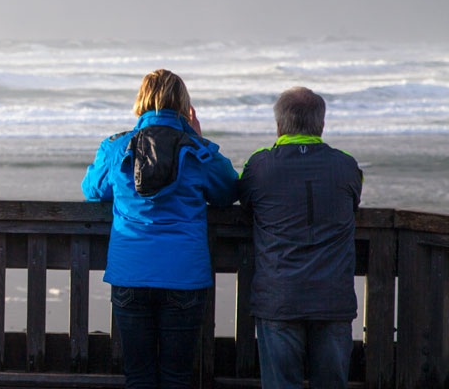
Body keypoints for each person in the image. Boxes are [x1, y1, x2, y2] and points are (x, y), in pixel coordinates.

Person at [81, 69, 238, 388]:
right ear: (183, 104)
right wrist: (198, 138)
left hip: (131, 274)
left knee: (138, 376)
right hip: (183, 276)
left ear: (140, 100)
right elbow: (227, 192)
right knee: (177, 377)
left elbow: (92, 190)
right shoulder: (196, 151)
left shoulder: (117, 147)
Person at [238, 87, 362, 389]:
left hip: (279, 297)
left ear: (279, 125)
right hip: (333, 299)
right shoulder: (346, 165)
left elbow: (244, 199)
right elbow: (354, 200)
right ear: (321, 124)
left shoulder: (260, 165)